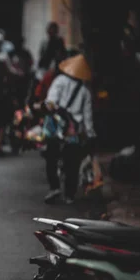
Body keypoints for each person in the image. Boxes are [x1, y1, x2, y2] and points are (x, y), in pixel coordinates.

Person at [43, 54, 96, 204]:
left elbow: (50, 102)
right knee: (72, 162)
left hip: (56, 126)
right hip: (74, 130)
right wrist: (91, 134)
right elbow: (87, 116)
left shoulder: (59, 81)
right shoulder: (85, 90)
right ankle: (69, 195)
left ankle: (54, 187)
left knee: (51, 157)